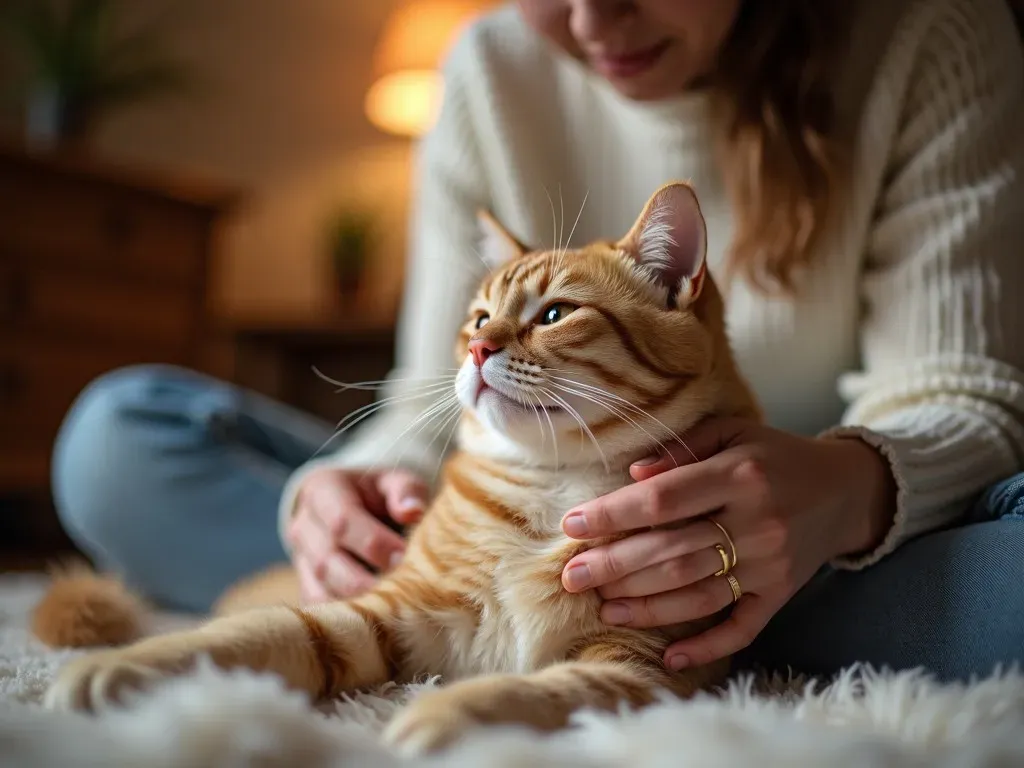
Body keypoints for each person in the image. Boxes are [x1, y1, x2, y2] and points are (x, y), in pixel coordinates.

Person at [52, 0, 1024, 683]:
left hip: (831, 544)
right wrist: (344, 493)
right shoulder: (483, 68)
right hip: (508, 516)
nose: (594, 20)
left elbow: (967, 395)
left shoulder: (930, 32)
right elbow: (434, 395)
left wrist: (847, 492)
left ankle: (692, 629)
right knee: (117, 437)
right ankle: (470, 611)